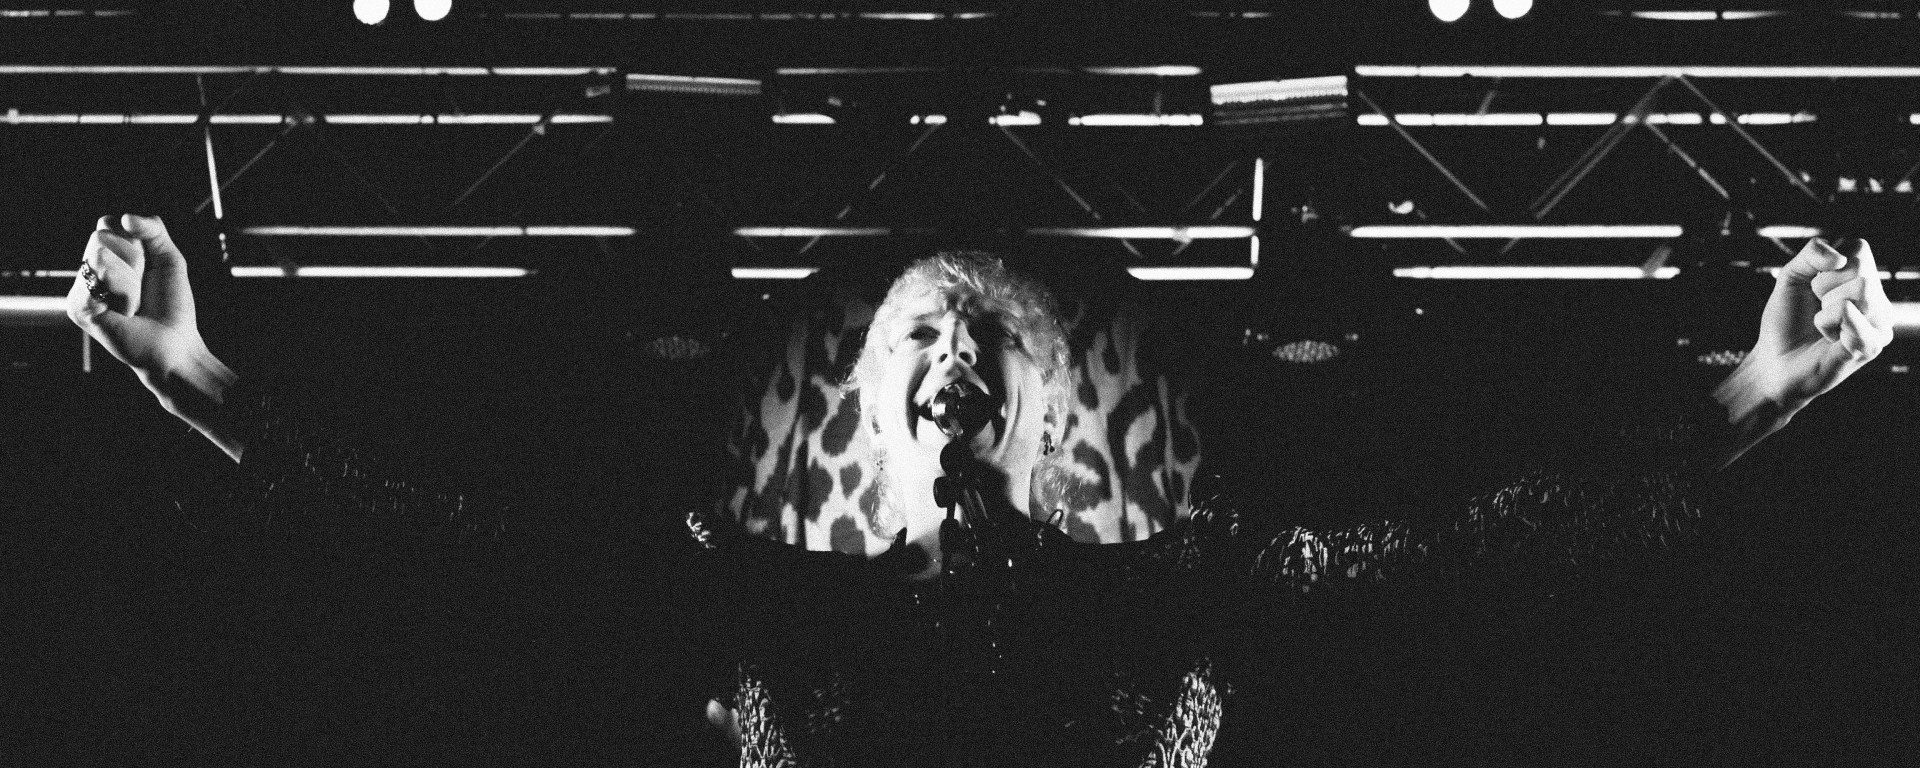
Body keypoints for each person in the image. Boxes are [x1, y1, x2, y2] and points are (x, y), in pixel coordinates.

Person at [70, 214, 1896, 766]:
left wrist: (1752, 394)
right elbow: (480, 553)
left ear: (1036, 413)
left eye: (982, 337)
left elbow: (1466, 557)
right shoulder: (764, 595)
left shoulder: (1168, 589)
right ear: (870, 418)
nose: (949, 348)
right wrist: (194, 376)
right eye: (914, 335)